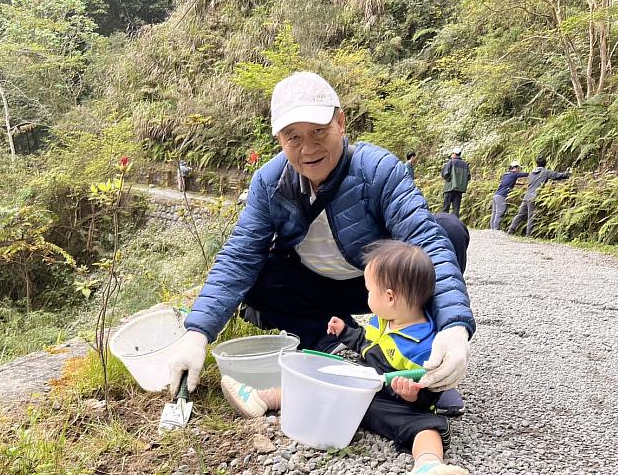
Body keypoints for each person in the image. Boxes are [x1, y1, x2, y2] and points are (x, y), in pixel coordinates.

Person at [164, 71, 475, 407]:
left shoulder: (378, 170)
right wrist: (197, 334)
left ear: (340, 123)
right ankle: (331, 347)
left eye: (319, 132)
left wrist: (454, 327)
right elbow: (239, 257)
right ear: (279, 140)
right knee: (257, 273)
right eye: (292, 137)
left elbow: (425, 241)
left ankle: (425, 361)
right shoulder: (269, 183)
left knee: (448, 230)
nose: (308, 149)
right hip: (315, 287)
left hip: (378, 286)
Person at [220, 241, 473, 475]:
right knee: (325, 380)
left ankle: (429, 465)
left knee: (428, 427)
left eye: (369, 290)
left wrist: (412, 395)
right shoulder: (384, 319)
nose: (366, 296)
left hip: (397, 407)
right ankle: (263, 398)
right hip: (363, 390)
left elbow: (430, 394)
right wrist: (346, 332)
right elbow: (367, 344)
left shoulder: (423, 345)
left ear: (389, 297)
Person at [507, 156, 570, 237]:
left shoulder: (532, 172)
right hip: (534, 197)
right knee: (531, 217)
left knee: (520, 214)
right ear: (545, 164)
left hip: (526, 196)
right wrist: (567, 174)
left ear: (536, 163)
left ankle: (510, 231)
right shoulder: (545, 172)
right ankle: (528, 235)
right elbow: (557, 175)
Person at [490, 160, 529, 230]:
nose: (519, 170)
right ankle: (495, 230)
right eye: (518, 168)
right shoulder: (514, 174)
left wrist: (519, 184)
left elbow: (508, 182)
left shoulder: (506, 174)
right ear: (515, 168)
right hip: (501, 196)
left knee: (494, 212)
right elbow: (526, 174)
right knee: (500, 212)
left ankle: (492, 229)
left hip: (496, 195)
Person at [440, 147, 470, 217]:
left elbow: (445, 173)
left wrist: (449, 180)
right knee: (456, 209)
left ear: (454, 154)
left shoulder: (451, 162)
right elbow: (468, 177)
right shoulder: (465, 165)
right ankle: (455, 225)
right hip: (459, 190)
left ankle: (445, 224)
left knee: (446, 208)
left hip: (449, 188)